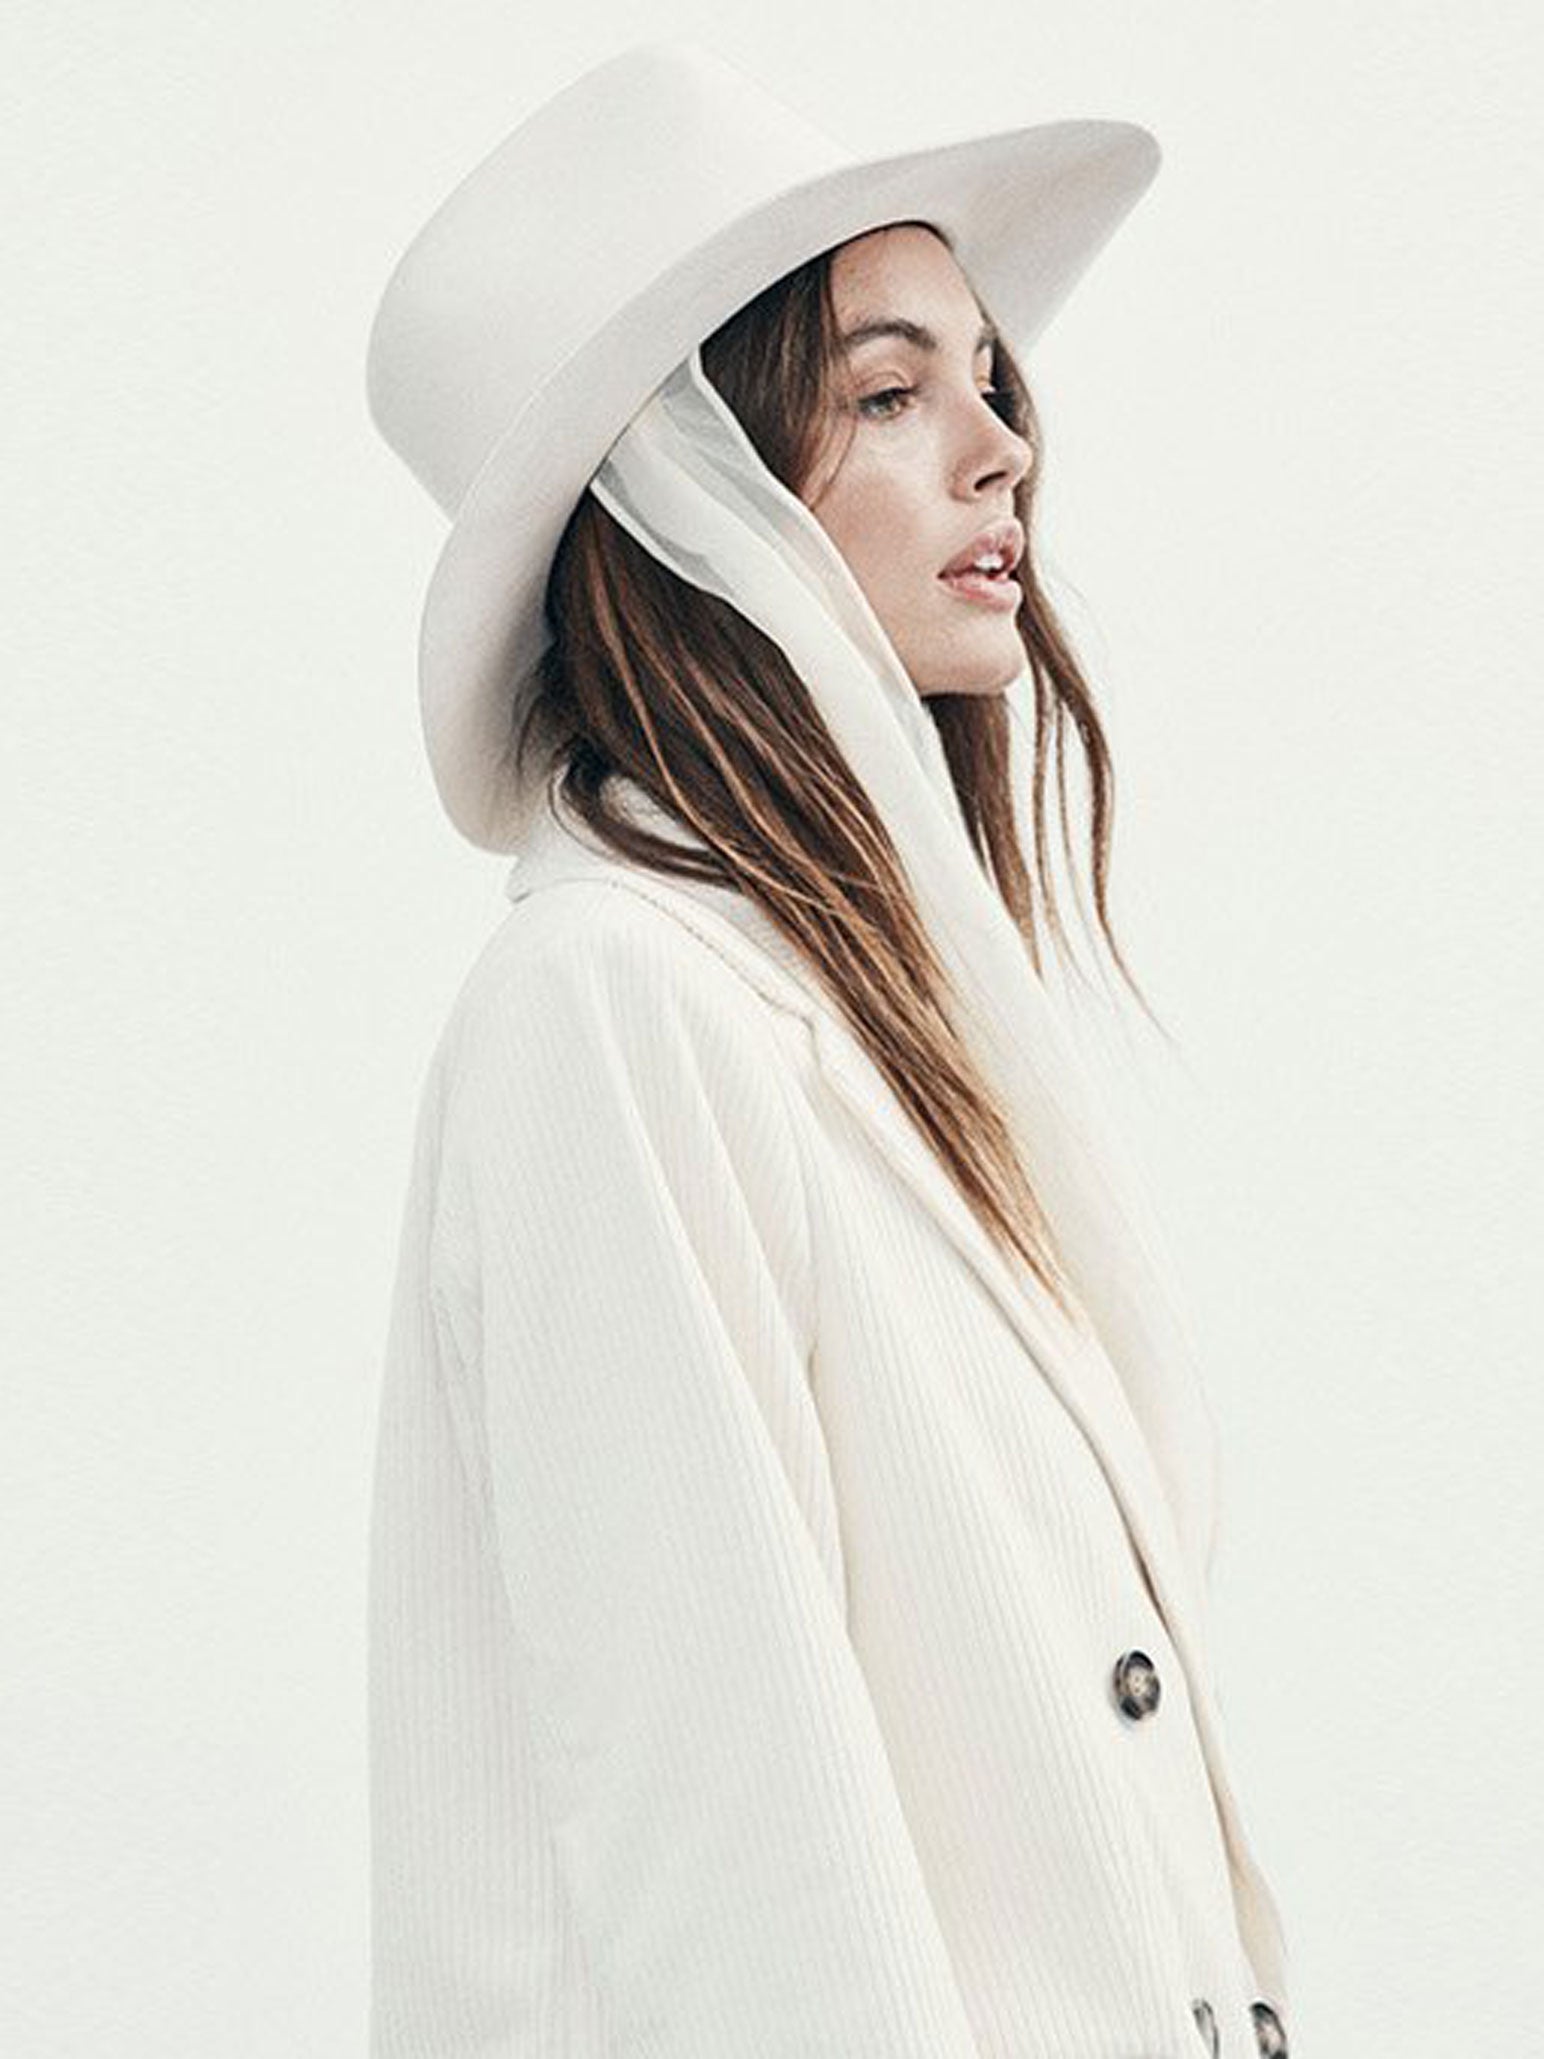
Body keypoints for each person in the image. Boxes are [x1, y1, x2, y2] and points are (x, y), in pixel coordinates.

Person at [364, 39, 1294, 2059]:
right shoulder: (612, 1005)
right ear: (687, 493)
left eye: (989, 378)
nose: (1000, 447)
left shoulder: (881, 1027)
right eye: (888, 391)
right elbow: (744, 1879)